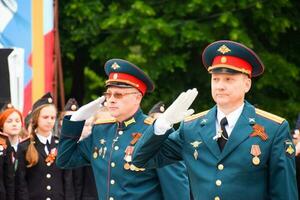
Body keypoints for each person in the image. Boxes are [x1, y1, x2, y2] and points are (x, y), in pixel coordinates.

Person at [133, 40, 298, 200]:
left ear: (247, 84)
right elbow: (142, 159)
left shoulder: (274, 128)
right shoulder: (191, 127)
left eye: (228, 79)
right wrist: (163, 123)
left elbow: (284, 193)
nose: (220, 85)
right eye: (216, 79)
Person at [56, 58, 190, 200]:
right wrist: (75, 121)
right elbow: (65, 159)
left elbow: (176, 189)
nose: (111, 99)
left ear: (137, 98)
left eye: (118, 95)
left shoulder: (156, 131)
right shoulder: (101, 131)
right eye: (108, 94)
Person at [15, 92, 74, 200]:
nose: (49, 121)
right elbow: (21, 182)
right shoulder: (25, 146)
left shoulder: (61, 145)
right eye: (45, 117)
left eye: (52, 117)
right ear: (36, 118)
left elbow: (68, 181)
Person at [0, 104, 24, 172]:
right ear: (2, 125)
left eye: (17, 121)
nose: (14, 124)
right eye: (9, 121)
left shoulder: (26, 146)